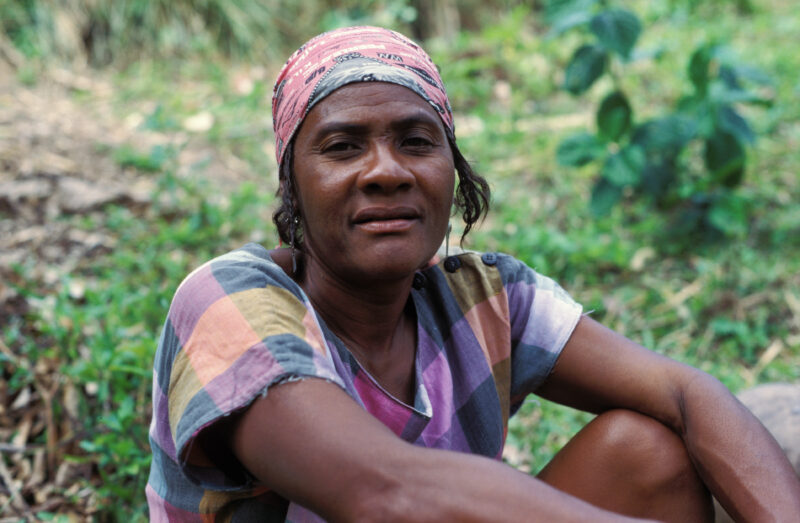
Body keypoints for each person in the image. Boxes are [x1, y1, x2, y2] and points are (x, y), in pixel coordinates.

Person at [146, 26, 800, 522]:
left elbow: (685, 391)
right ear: (293, 188)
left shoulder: (485, 299)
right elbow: (384, 489)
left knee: (645, 451)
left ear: (453, 176)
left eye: (416, 140)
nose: (386, 170)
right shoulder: (229, 300)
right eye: (343, 146)